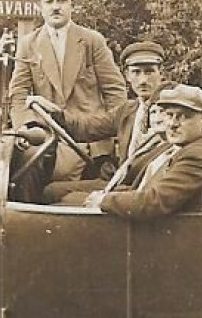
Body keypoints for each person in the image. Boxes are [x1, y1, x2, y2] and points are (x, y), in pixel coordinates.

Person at [8, 0, 128, 183]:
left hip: (89, 136)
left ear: (72, 5)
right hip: (48, 133)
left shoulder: (92, 41)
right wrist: (25, 127)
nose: (55, 7)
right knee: (20, 169)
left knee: (75, 180)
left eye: (62, 1)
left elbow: (115, 91)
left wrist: (120, 133)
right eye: (49, 1)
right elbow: (19, 93)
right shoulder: (29, 44)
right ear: (40, 7)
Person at [38, 39, 167, 204]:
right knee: (51, 191)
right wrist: (55, 113)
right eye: (136, 72)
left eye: (149, 72)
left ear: (161, 73)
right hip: (120, 181)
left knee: (67, 201)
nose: (143, 80)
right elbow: (88, 127)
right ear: (127, 76)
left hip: (143, 188)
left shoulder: (171, 110)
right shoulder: (127, 110)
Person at [87, 86, 202, 219]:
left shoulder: (197, 156)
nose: (172, 123)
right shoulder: (187, 147)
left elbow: (154, 201)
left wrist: (104, 200)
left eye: (182, 117)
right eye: (170, 115)